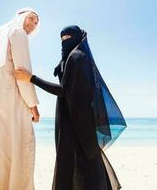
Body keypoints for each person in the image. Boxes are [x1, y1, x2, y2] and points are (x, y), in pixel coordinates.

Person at [14, 25, 127, 190]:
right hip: (71, 115)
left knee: (77, 159)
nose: (65, 42)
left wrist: (31, 78)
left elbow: (64, 91)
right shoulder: (71, 58)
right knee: (77, 159)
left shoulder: (77, 57)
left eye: (68, 38)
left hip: (77, 119)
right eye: (62, 39)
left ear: (78, 38)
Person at [0, 7, 40, 190]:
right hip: (14, 103)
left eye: (36, 23)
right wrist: (33, 106)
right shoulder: (18, 33)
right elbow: (23, 73)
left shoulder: (0, 39)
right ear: (21, 17)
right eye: (32, 19)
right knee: (19, 148)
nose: (33, 25)